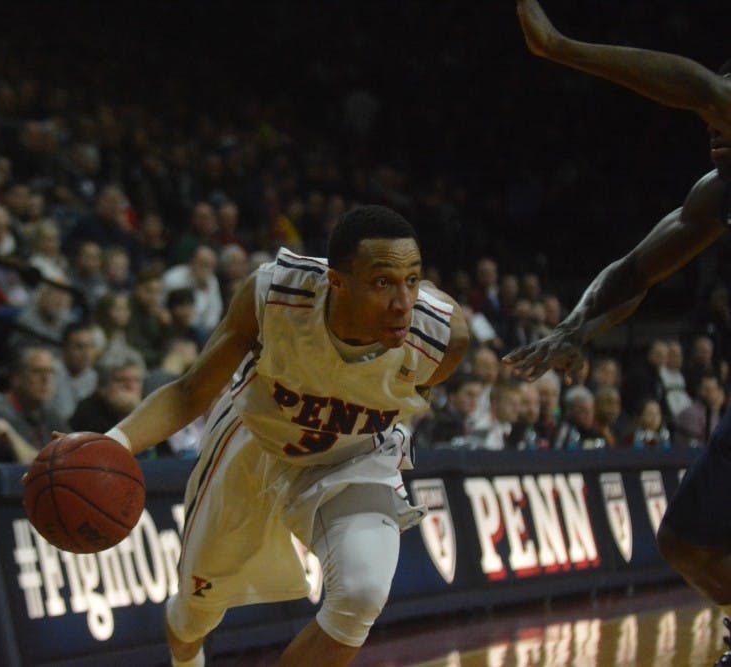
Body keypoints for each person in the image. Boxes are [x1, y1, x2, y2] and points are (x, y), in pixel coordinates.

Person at [58, 205, 468, 666]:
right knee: (195, 613)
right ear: (337, 282)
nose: (402, 302)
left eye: (412, 280)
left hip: (351, 459)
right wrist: (114, 442)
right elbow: (190, 392)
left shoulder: (442, 340)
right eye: (381, 283)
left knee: (362, 592)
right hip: (255, 442)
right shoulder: (275, 294)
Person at [506, 2, 731, 662]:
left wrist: (560, 46)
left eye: (724, 114)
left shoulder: (716, 102)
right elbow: (633, 270)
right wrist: (576, 325)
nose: (714, 124)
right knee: (687, 542)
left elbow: (703, 88)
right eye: (710, 122)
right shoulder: (717, 193)